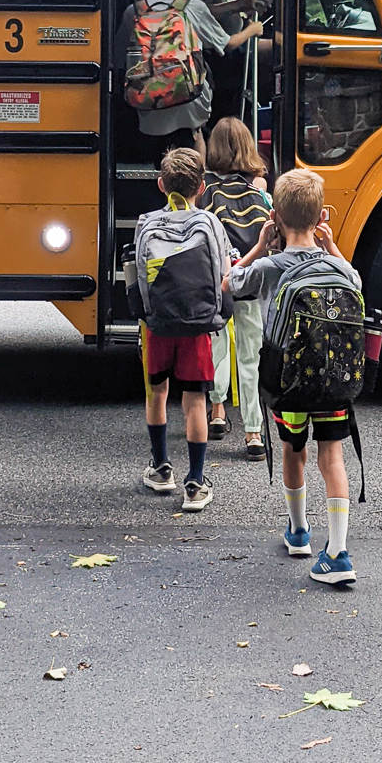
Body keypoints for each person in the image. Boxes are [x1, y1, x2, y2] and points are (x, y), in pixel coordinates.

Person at [225, 168, 361, 586]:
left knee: (292, 450)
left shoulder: (270, 264)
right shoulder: (340, 269)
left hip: (288, 381)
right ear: (321, 215)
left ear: (275, 216)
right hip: (335, 378)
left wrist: (259, 247)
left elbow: (230, 283)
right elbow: (355, 281)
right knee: (332, 457)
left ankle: (299, 531)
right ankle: (337, 553)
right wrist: (331, 244)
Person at [137, 147, 234, 512]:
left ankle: (162, 469)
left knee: (156, 393)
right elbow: (225, 272)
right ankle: (195, 483)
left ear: (161, 185)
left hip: (159, 324)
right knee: (195, 401)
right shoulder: (210, 224)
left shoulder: (148, 222)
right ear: (202, 186)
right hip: (197, 326)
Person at [114, 0, 262, 158]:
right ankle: (197, 179)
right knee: (197, 131)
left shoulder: (133, 12)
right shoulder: (191, 7)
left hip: (147, 104)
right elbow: (227, 44)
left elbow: (119, 60)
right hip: (189, 102)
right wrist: (251, 30)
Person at [200, 117, 272, 460]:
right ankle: (253, 432)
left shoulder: (206, 188)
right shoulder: (260, 191)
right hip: (252, 279)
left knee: (218, 347)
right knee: (250, 355)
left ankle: (216, 412)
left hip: (220, 281)